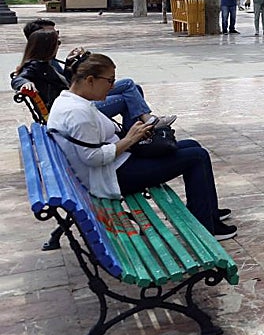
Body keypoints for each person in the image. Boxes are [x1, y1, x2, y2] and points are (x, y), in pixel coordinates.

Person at [45, 52, 236, 240]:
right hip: (111, 177)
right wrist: (130, 139)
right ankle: (206, 225)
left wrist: (133, 136)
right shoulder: (77, 112)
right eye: (109, 81)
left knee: (192, 146)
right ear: (90, 80)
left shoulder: (71, 101)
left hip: (116, 165)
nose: (112, 86)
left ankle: (207, 210)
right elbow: (94, 157)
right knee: (197, 157)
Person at [12, 29, 176, 133]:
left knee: (133, 88)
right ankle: (141, 128)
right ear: (46, 47)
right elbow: (19, 78)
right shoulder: (35, 66)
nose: (59, 46)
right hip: (73, 108)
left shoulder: (49, 62)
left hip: (75, 100)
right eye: (58, 43)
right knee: (127, 94)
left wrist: (70, 62)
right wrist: (24, 83)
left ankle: (141, 126)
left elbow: (69, 83)